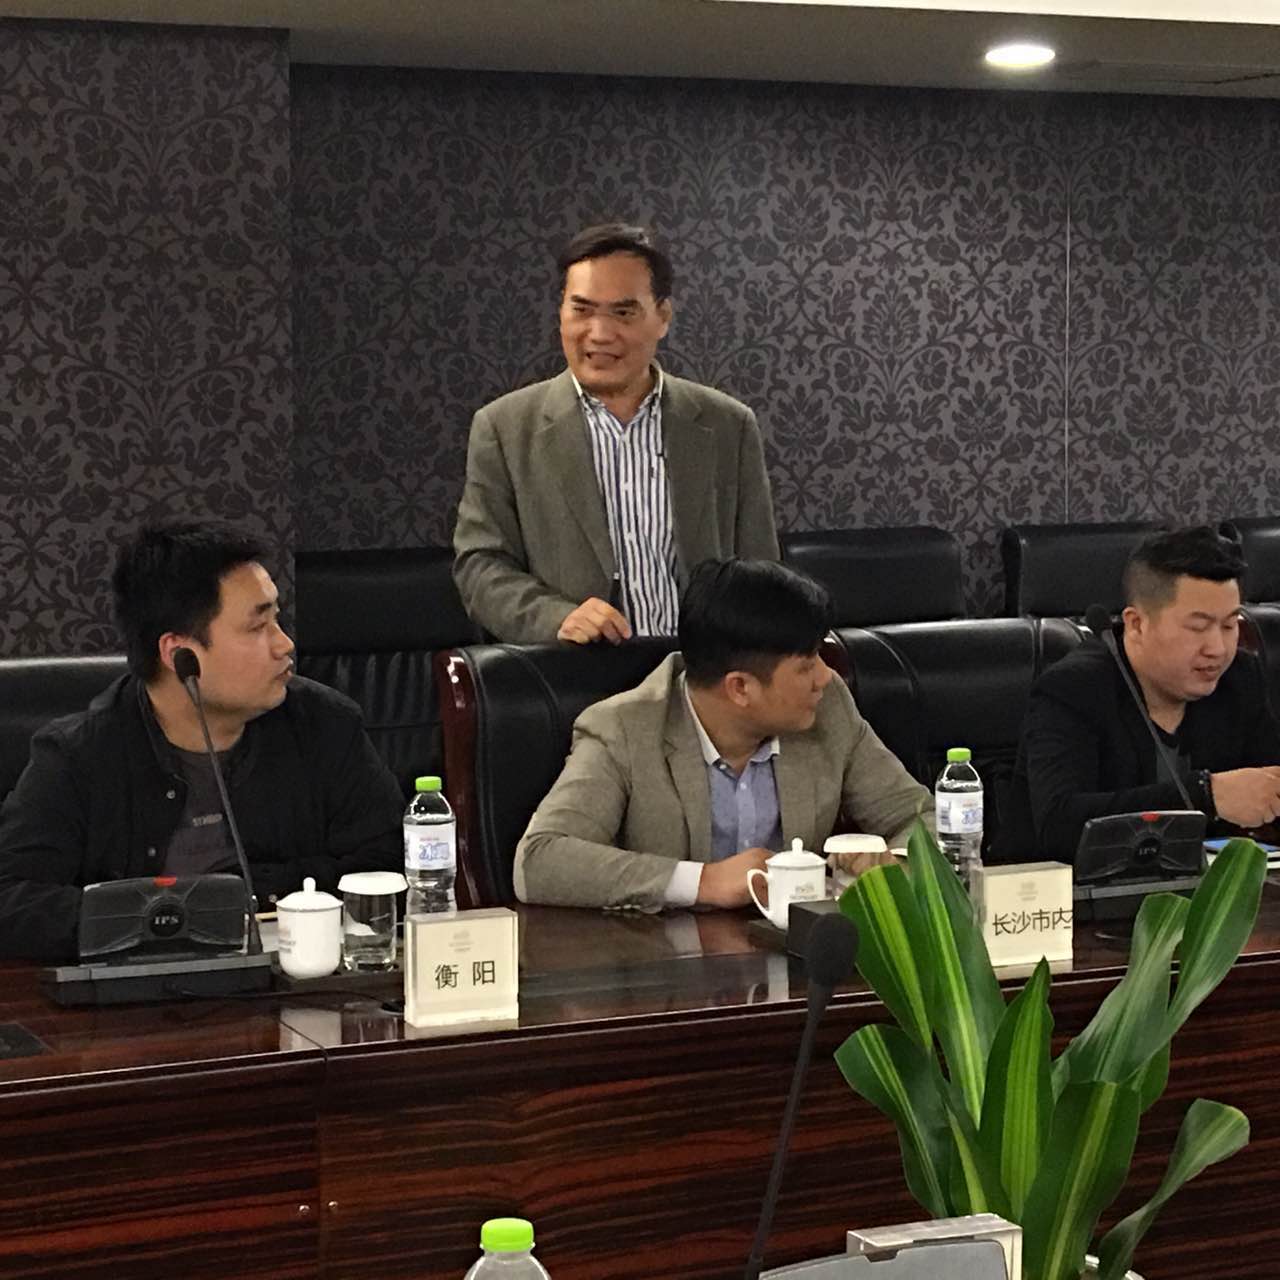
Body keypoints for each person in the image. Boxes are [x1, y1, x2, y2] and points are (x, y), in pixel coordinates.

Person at [0, 520, 404, 961]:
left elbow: (388, 868)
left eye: (277, 619)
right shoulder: (77, 757)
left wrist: (236, 896)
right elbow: (12, 899)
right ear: (180, 655)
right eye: (257, 626)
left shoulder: (325, 725)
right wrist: (156, 916)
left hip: (289, 987)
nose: (284, 644)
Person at [514, 559, 932, 911]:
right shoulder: (623, 729)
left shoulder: (830, 709)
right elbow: (539, 860)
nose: (825, 677)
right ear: (740, 688)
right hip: (669, 967)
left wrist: (894, 864)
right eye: (807, 665)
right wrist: (705, 882)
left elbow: (920, 818)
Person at [453, 222, 779, 645]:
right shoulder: (504, 428)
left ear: (663, 317)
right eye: (582, 310)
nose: (600, 333)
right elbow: (480, 567)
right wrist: (557, 618)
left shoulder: (727, 425)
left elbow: (761, 572)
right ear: (561, 311)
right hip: (579, 669)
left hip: (702, 671)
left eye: (623, 313)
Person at [997, 525, 1280, 864]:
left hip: (1203, 889)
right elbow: (1061, 824)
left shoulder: (1239, 678)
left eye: (1230, 625)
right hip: (1059, 892)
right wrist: (1206, 795)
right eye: (1198, 627)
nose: (1218, 648)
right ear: (1136, 624)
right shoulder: (1072, 690)